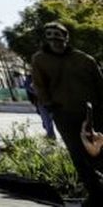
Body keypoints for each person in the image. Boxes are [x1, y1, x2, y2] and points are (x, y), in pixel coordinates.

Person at [31, 21, 103, 204]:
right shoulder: (40, 60)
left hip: (92, 114)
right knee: (78, 155)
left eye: (58, 35)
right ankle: (96, 193)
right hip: (65, 115)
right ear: (45, 39)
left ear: (66, 37)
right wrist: (50, 107)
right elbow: (40, 86)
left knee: (99, 152)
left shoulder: (85, 60)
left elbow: (100, 85)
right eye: (50, 35)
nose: (55, 39)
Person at [24, 72, 56, 140]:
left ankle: (51, 136)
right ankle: (50, 134)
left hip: (45, 100)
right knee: (45, 119)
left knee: (47, 119)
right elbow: (29, 87)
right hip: (42, 100)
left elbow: (30, 88)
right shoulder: (30, 77)